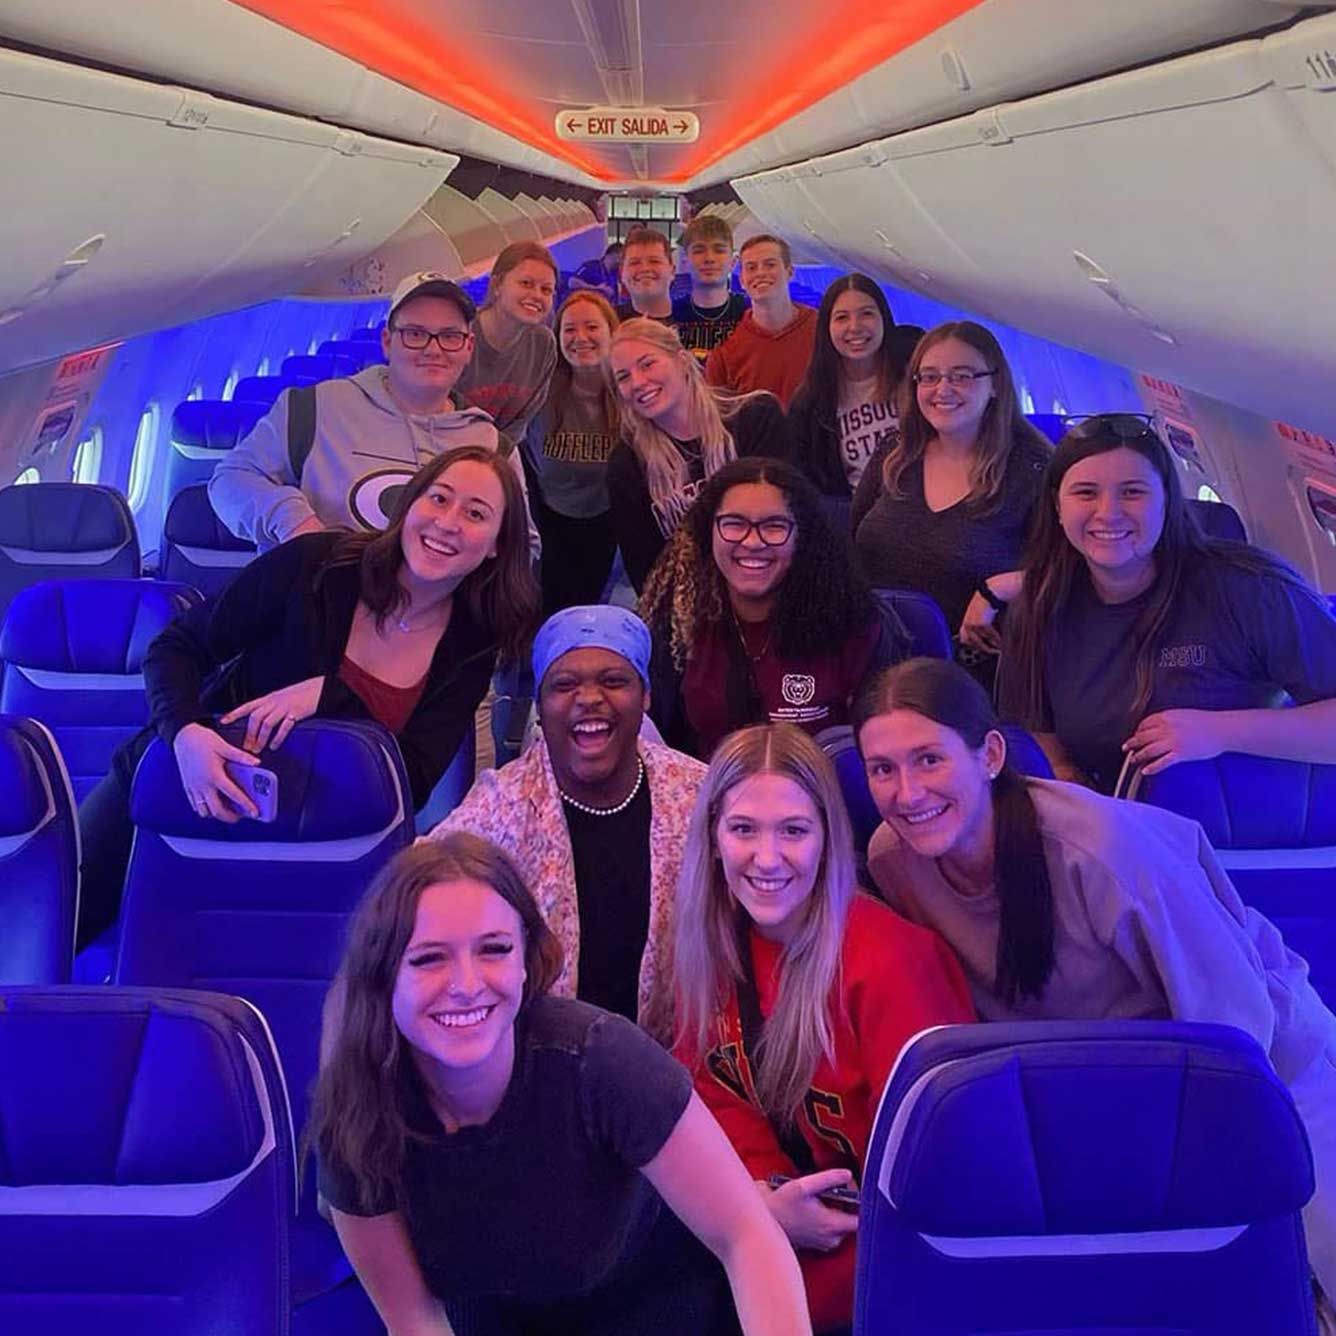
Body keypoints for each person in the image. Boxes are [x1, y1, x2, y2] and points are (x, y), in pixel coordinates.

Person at [855, 655, 1336, 1318]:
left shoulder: (1103, 851)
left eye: (929, 760)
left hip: (1270, 1066)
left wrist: (1200, 1154)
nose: (907, 792)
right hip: (1095, 1087)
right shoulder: (893, 858)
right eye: (882, 769)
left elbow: (1237, 1025)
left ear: (990, 754)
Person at [311, 833, 813, 1336]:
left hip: (651, 1304)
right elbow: (414, 1320)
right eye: (428, 959)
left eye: (494, 949)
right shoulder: (356, 1112)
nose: (465, 985)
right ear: (382, 976)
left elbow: (748, 1237)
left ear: (526, 962)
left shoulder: (604, 1061)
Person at [75, 446, 538, 949]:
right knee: (60, 918)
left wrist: (332, 695)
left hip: (326, 834)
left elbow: (415, 778)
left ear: (496, 544)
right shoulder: (316, 566)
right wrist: (187, 734)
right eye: (438, 498)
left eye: (475, 514)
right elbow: (177, 648)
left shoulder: (472, 639)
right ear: (409, 507)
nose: (448, 522)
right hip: (192, 777)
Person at [673, 723, 974, 1332]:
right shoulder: (708, 953)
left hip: (883, 1272)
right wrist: (760, 1208)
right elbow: (710, 1104)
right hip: (762, 1238)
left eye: (793, 830)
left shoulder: (891, 966)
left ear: (828, 839)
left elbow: (949, 1183)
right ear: (711, 840)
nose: (766, 858)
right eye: (742, 829)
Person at [998, 413, 1336, 790]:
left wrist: (1219, 731)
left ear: (1167, 501)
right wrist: (1068, 779)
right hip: (1115, 826)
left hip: (1250, 831)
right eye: (1086, 492)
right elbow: (1033, 725)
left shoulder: (1250, 590)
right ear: (1058, 507)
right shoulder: (1043, 605)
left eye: (1133, 491)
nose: (1108, 512)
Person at [425, 605, 706, 1043]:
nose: (589, 697)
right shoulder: (501, 806)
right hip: (538, 1063)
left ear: (645, 697)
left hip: (677, 1063)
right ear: (540, 705)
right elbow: (409, 893)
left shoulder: (697, 793)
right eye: (565, 684)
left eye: (614, 681)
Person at [209, 272, 530, 550]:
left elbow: (524, 543)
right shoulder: (313, 408)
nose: (434, 349)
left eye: (449, 336)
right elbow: (230, 480)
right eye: (415, 334)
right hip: (318, 605)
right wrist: (292, 520)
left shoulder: (491, 445)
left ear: (468, 347)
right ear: (388, 341)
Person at [641, 457, 910, 759]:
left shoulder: (852, 620)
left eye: (774, 526)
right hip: (710, 794)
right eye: (734, 524)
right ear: (710, 531)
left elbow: (886, 747)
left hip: (823, 797)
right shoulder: (680, 625)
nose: (753, 541)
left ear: (802, 536)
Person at [851, 320, 1051, 662]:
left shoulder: (1032, 471)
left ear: (995, 385)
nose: (942, 389)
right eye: (929, 377)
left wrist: (997, 590)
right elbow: (852, 539)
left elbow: (1071, 569)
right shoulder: (895, 453)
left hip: (966, 672)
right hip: (872, 653)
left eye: (961, 375)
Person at [607, 318, 793, 592]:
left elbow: (786, 521)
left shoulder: (756, 419)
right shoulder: (627, 463)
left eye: (648, 364)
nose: (637, 382)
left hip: (770, 588)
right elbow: (646, 573)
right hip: (689, 604)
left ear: (682, 361)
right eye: (623, 376)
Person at [523, 291, 623, 613]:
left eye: (592, 327)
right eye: (569, 329)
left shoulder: (630, 392)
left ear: (611, 333)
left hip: (609, 528)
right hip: (547, 526)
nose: (580, 337)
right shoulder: (538, 389)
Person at [788, 274, 907, 507]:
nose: (855, 327)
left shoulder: (915, 375)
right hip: (857, 524)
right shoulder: (809, 404)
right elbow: (805, 485)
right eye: (842, 317)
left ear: (884, 318)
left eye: (867, 314)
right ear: (827, 327)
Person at [454, 240, 559, 444]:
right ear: (497, 285)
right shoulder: (458, 334)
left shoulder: (544, 344)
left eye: (546, 290)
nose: (537, 295)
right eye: (526, 284)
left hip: (498, 455)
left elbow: (522, 420)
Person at [706, 236, 817, 409]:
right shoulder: (725, 349)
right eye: (751, 267)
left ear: (789, 272)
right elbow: (718, 420)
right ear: (742, 280)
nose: (760, 273)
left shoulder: (822, 329)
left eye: (770, 265)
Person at [672, 214, 748, 368]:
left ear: (733, 262)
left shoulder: (751, 313)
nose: (709, 258)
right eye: (699, 250)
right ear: (685, 261)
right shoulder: (671, 315)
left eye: (719, 250)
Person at [617, 226, 675, 323]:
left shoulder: (692, 320)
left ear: (672, 271)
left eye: (654, 261)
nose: (645, 269)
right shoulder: (608, 323)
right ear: (621, 273)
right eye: (634, 263)